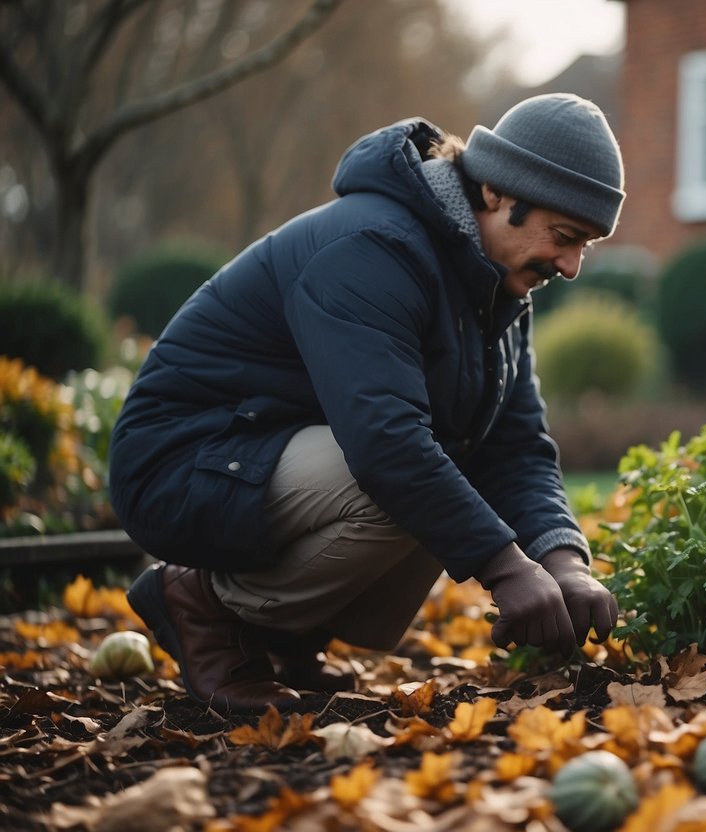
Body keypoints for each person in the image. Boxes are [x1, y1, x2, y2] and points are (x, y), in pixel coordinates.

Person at [111, 93, 624, 711]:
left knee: (445, 471)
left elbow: (516, 445)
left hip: (269, 458)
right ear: (494, 192)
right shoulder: (372, 248)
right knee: (406, 478)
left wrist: (561, 559)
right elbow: (385, 443)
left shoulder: (497, 288)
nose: (570, 266)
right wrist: (507, 569)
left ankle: (282, 638)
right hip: (182, 460)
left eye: (585, 246)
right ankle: (202, 602)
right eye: (564, 236)